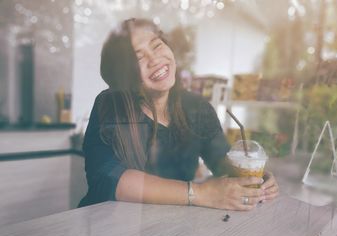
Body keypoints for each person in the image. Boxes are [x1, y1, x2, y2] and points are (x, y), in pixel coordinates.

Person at [78, 18, 279, 210]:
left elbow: (220, 162)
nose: (154, 59)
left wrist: (252, 178)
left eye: (156, 46)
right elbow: (109, 180)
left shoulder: (197, 107)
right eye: (138, 57)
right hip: (109, 229)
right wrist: (201, 193)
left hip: (169, 226)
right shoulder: (111, 104)